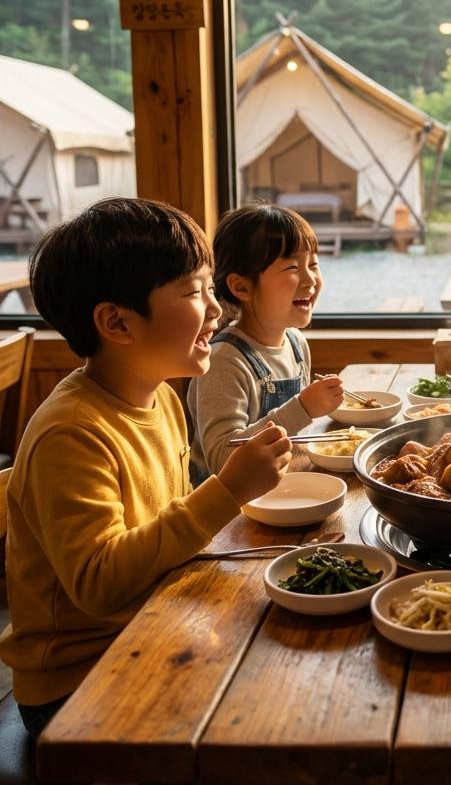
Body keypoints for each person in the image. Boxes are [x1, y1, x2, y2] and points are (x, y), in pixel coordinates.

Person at [0, 199, 290, 738]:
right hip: (74, 685)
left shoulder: (161, 399)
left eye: (211, 288)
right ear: (116, 322)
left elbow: (169, 526)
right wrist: (227, 490)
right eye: (194, 292)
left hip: (150, 629)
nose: (218, 309)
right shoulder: (71, 431)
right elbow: (99, 585)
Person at [188, 204, 343, 477]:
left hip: (286, 486)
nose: (310, 279)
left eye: (314, 264)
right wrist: (303, 408)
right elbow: (222, 458)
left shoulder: (296, 343)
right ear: (241, 286)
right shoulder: (222, 360)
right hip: (230, 512)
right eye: (293, 267)